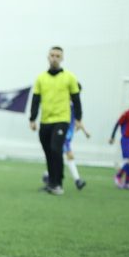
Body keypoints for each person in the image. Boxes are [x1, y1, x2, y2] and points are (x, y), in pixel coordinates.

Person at [29, 46, 83, 195]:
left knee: (56, 149)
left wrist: (78, 119)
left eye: (58, 56)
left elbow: (76, 99)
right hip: (45, 121)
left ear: (62, 58)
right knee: (48, 152)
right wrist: (32, 119)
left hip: (62, 119)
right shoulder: (41, 78)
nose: (54, 58)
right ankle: (51, 183)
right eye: (52, 55)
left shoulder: (69, 77)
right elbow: (35, 99)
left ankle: (58, 184)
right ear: (48, 57)